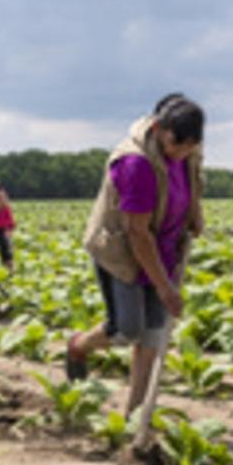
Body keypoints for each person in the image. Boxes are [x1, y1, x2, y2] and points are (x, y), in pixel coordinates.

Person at [66, 93, 205, 420]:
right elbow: (137, 234)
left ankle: (136, 415)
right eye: (176, 146)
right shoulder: (136, 163)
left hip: (164, 247)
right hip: (122, 250)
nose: (182, 153)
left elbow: (193, 180)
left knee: (152, 334)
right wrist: (165, 288)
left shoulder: (189, 149)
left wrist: (194, 212)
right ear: (158, 129)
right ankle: (79, 346)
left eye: (189, 147)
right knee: (128, 329)